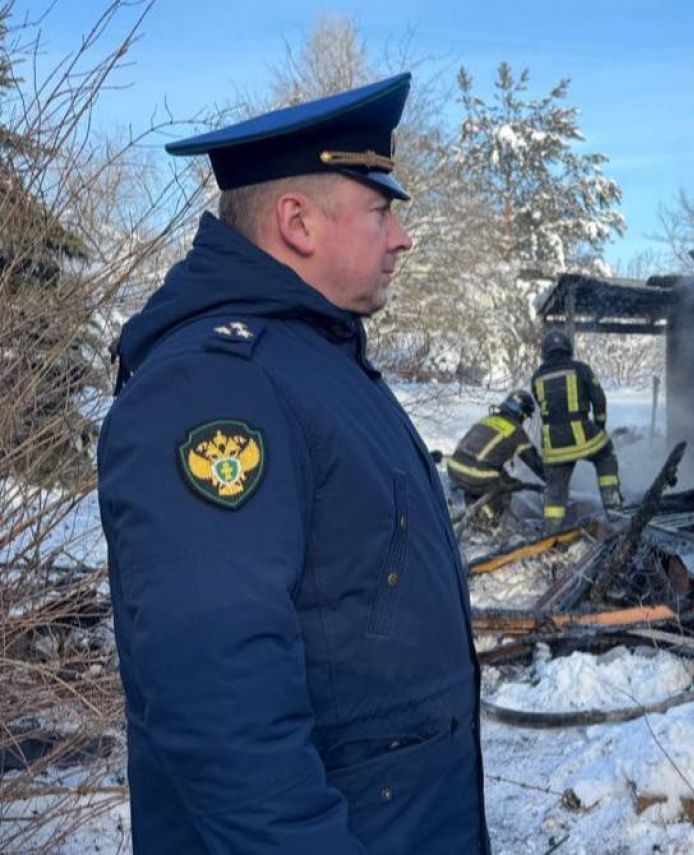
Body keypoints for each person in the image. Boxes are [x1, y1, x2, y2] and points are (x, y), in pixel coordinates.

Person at [97, 74, 489, 853]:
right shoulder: (217, 384)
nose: (401, 236)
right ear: (297, 222)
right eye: (380, 210)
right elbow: (220, 704)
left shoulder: (315, 360)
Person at [531, 328, 621, 531]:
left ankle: (550, 531)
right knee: (606, 454)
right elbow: (599, 400)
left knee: (555, 489)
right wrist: (599, 427)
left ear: (545, 351)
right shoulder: (581, 369)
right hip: (582, 435)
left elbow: (543, 404)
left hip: (553, 446)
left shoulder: (536, 377)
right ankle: (613, 507)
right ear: (568, 348)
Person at [447, 389, 544, 522]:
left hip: (454, 468)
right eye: (526, 416)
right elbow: (534, 462)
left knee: (497, 481)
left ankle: (473, 510)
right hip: (476, 474)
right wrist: (553, 481)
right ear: (521, 412)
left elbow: (484, 456)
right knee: (503, 490)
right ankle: (489, 523)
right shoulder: (515, 430)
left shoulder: (488, 419)